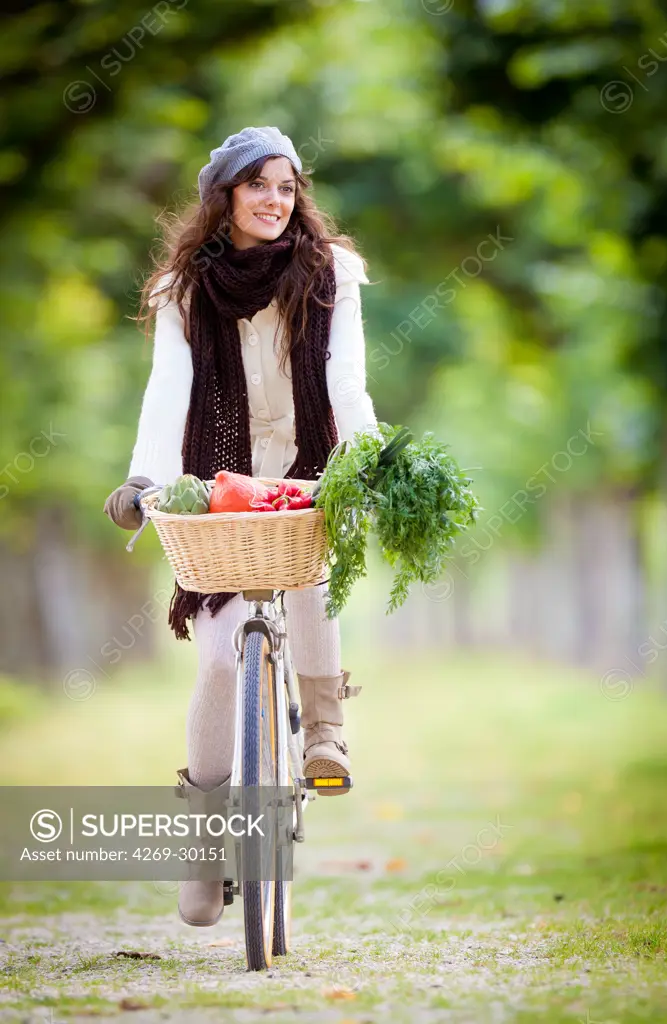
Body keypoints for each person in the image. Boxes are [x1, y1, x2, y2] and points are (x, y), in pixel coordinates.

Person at [103, 126, 378, 926]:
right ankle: (203, 841)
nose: (273, 200)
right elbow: (168, 392)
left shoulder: (331, 275)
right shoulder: (184, 289)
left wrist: (365, 458)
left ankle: (326, 734)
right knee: (221, 661)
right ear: (223, 196)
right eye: (256, 184)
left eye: (287, 187)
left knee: (310, 583)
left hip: (304, 467)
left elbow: (345, 381)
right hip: (215, 483)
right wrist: (147, 480)